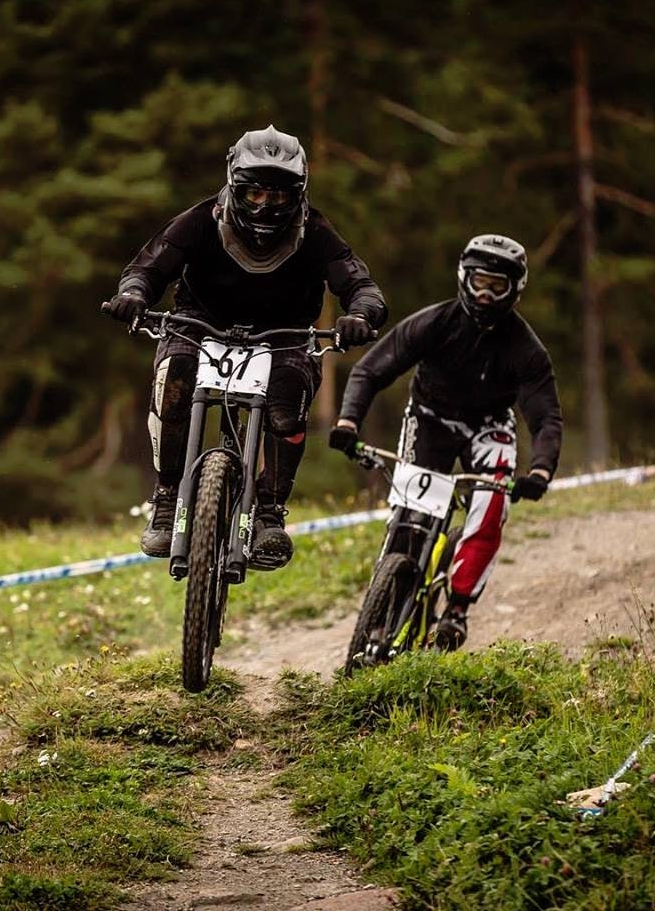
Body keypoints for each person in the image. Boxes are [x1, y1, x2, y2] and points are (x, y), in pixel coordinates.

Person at [106, 125, 387, 568]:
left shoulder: (315, 232)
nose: (265, 205)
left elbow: (361, 286)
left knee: (287, 402)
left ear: (299, 192)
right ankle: (165, 499)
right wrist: (135, 295)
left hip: (285, 333)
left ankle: (270, 511)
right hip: (197, 323)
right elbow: (146, 268)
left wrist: (360, 316)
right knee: (172, 381)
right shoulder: (200, 220)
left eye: (278, 196)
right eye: (254, 194)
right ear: (234, 184)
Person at [329, 234, 562, 650]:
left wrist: (541, 469)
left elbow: (544, 416)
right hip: (430, 417)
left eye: (497, 287)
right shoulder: (434, 323)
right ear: (463, 279)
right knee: (408, 516)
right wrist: (348, 423)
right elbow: (370, 371)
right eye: (479, 283)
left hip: (489, 426)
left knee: (492, 506)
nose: (486, 296)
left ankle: (456, 609)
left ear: (515, 291)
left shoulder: (526, 349)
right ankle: (384, 608)